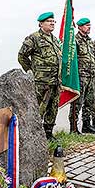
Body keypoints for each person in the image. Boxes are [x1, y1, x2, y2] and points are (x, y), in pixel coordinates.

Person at [18, 12, 61, 141]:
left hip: (55, 81)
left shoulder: (54, 39)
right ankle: (33, 135)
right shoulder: (34, 38)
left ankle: (48, 133)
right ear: (41, 24)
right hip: (41, 81)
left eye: (53, 21)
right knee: (38, 108)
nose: (52, 23)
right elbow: (22, 56)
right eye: (49, 21)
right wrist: (32, 70)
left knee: (52, 108)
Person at [69, 18, 95, 135]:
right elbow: (71, 60)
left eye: (89, 25)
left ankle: (86, 125)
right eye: (86, 25)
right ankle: (73, 128)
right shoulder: (75, 41)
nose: (89, 27)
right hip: (81, 77)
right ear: (80, 27)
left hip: (91, 76)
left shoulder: (90, 41)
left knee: (89, 102)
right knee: (77, 103)